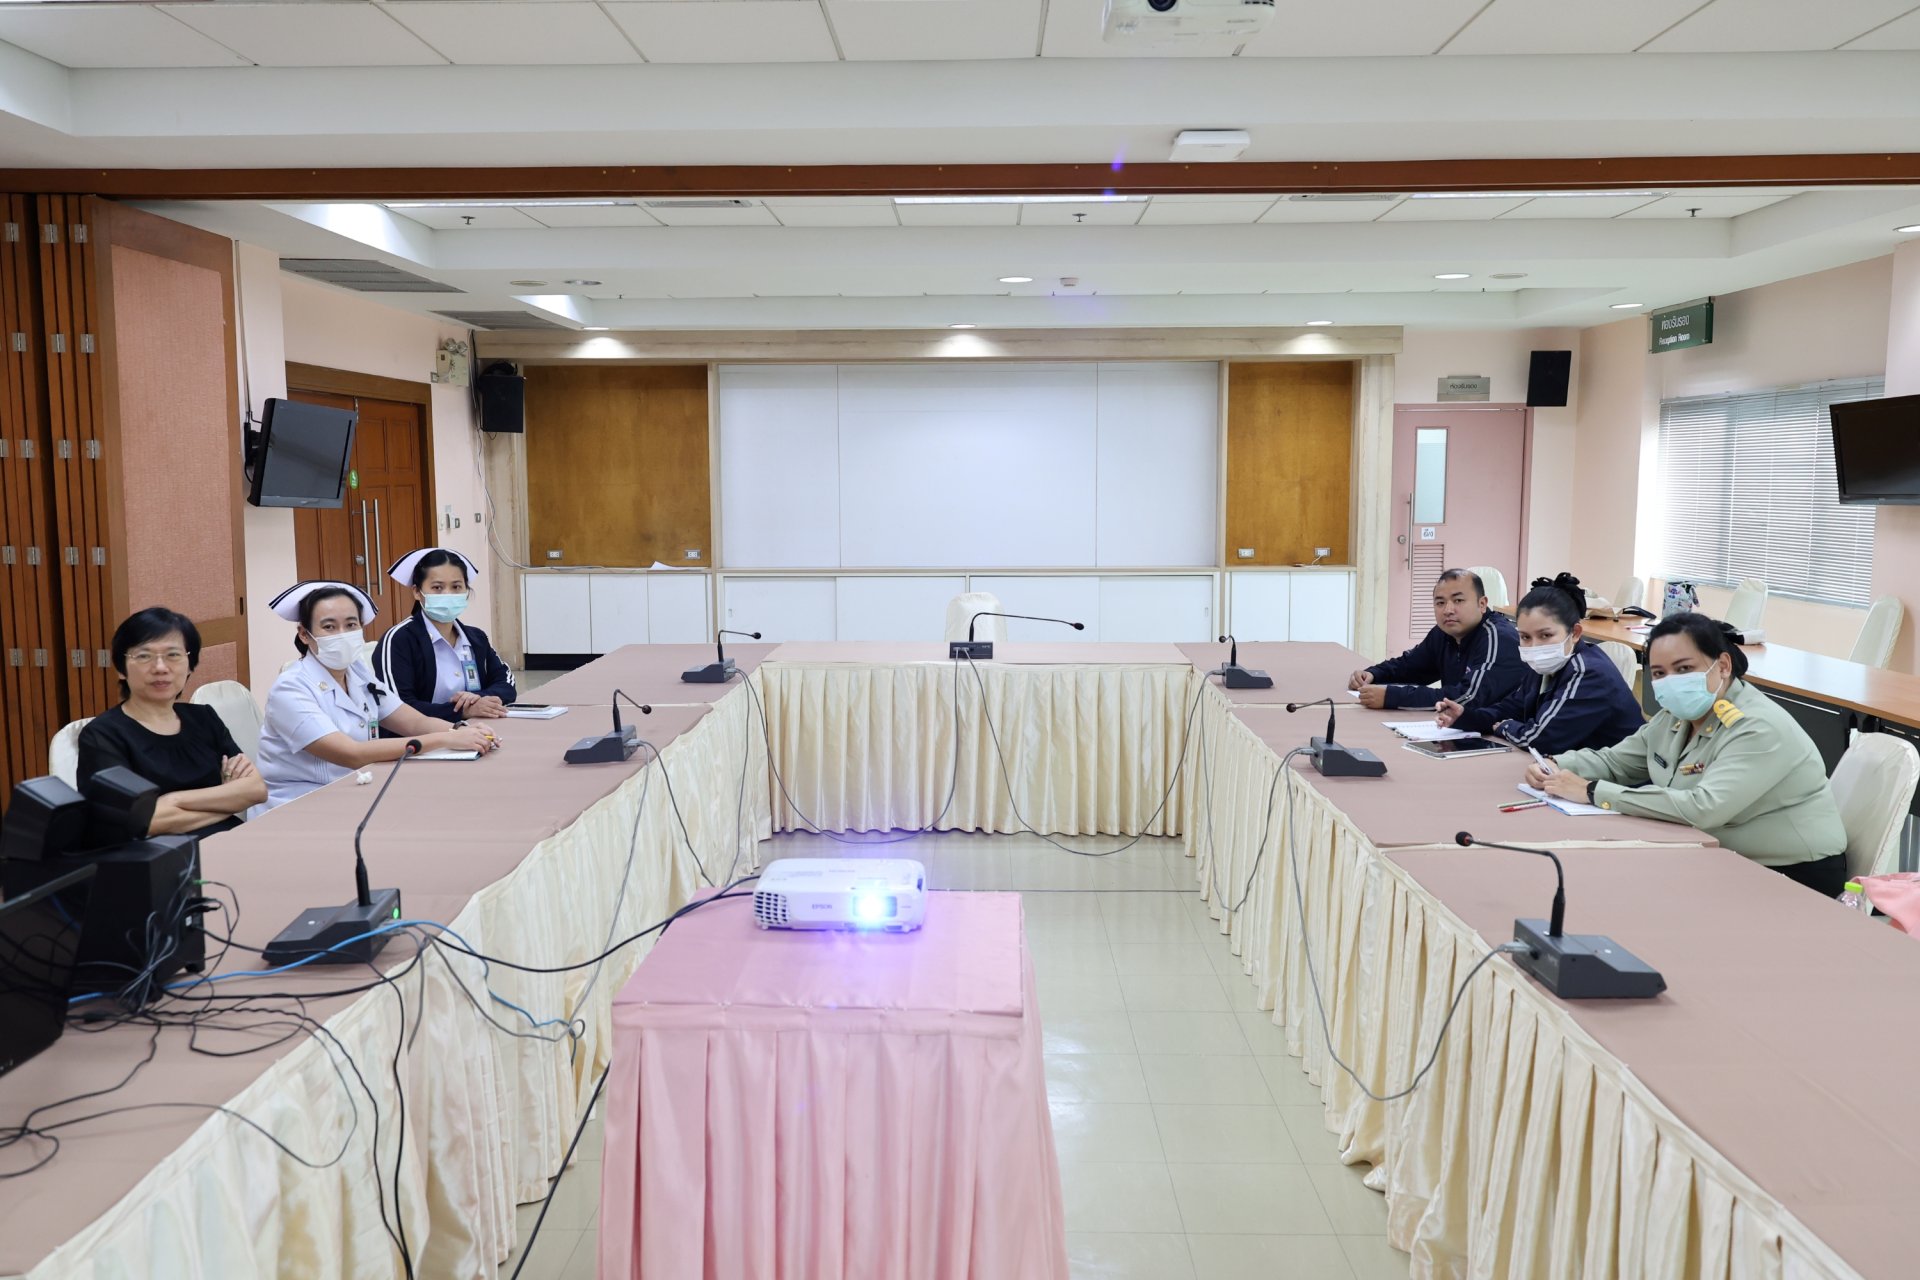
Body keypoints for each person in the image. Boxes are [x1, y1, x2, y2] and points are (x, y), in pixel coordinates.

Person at [1528, 611, 1849, 894]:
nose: (1671, 682)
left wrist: (1592, 791)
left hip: (1790, 871)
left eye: (1684, 668)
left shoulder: (1757, 727)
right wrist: (1554, 765)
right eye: (1659, 673)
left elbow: (1702, 809)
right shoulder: (1677, 716)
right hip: (1714, 853)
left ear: (1722, 666)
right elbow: (1615, 762)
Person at [256, 581, 500, 810]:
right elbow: (352, 754)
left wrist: (461, 730)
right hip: (299, 804)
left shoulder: (357, 672)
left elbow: (413, 722)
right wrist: (446, 739)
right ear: (304, 634)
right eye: (329, 627)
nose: (342, 633)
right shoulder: (290, 688)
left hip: (356, 790)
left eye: (351, 625)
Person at [76, 607, 267, 836]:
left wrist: (173, 800)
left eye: (173, 655)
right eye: (144, 656)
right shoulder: (102, 736)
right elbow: (140, 823)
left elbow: (256, 790)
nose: (160, 668)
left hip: (230, 840)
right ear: (121, 669)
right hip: (158, 854)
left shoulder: (204, 718)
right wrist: (226, 801)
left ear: (190, 665)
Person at [1436, 573, 1642, 755]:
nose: (1534, 646)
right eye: (1525, 637)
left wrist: (1505, 727)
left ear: (1575, 633)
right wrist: (1465, 716)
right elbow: (1511, 708)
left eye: (1545, 635)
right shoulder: (1545, 665)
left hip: (1621, 781)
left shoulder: (1588, 672)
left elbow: (1541, 739)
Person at [1347, 568, 1527, 711]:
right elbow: (1411, 666)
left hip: (1500, 734)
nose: (1448, 610)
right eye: (1440, 603)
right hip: (1457, 728)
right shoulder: (1444, 633)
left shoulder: (1498, 638)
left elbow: (1468, 697)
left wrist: (1393, 696)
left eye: (1458, 601)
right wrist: (1373, 674)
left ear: (1482, 604)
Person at [372, 547, 516, 724]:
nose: (448, 594)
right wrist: (461, 711)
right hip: (421, 738)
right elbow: (397, 708)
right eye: (437, 588)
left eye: (456, 587)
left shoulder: (476, 638)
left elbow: (506, 682)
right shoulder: (398, 640)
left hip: (476, 730)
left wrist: (479, 698)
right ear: (417, 592)